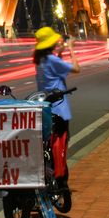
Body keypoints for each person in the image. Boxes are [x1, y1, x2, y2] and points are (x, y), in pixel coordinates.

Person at [33, 26, 78, 183]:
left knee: (48, 144)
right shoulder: (52, 60)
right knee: (61, 144)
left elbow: (55, 70)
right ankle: (60, 176)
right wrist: (71, 48)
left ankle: (50, 172)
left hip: (45, 108)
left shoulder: (40, 60)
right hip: (59, 109)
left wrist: (59, 54)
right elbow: (76, 68)